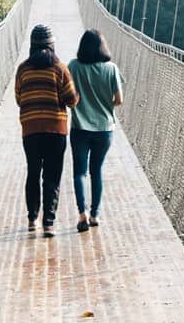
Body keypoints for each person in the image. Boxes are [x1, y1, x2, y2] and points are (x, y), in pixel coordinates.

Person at [14, 23, 78, 237]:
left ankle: (32, 219)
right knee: (52, 176)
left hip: (30, 129)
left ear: (31, 46)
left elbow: (18, 98)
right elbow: (71, 100)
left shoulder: (22, 69)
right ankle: (49, 223)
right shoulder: (60, 68)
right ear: (52, 45)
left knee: (33, 172)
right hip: (56, 130)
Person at [67, 29, 123, 233]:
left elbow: (67, 93)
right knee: (96, 171)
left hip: (80, 128)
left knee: (79, 172)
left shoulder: (73, 66)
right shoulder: (111, 68)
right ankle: (95, 214)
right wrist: (104, 105)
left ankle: (82, 215)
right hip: (104, 129)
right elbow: (119, 100)